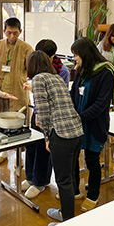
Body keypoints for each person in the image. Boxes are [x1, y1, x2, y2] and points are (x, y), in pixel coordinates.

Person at [26, 50, 83, 226]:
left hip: (61, 135)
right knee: (70, 178)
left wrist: (47, 138)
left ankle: (67, 222)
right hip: (77, 131)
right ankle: (66, 214)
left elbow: (42, 113)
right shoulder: (57, 77)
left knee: (63, 181)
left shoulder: (38, 80)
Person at [70, 37, 114, 213]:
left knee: (92, 161)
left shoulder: (105, 73)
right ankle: (74, 191)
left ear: (85, 54)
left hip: (95, 125)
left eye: (76, 55)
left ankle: (92, 195)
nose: (75, 58)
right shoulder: (82, 70)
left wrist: (79, 117)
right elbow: (74, 93)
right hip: (78, 123)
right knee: (73, 157)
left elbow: (101, 105)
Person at [22, 39, 71, 199]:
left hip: (50, 117)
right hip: (36, 112)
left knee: (44, 149)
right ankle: (30, 177)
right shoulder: (38, 70)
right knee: (31, 146)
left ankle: (40, 182)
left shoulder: (61, 71)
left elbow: (56, 97)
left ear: (51, 56)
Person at [0, 17, 34, 165]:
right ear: (4, 31)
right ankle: (3, 152)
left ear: (20, 31)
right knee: (2, 124)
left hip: (18, 93)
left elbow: (31, 71)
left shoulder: (27, 48)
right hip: (1, 91)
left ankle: (19, 157)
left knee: (19, 126)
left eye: (15, 33)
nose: (12, 37)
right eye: (8, 33)